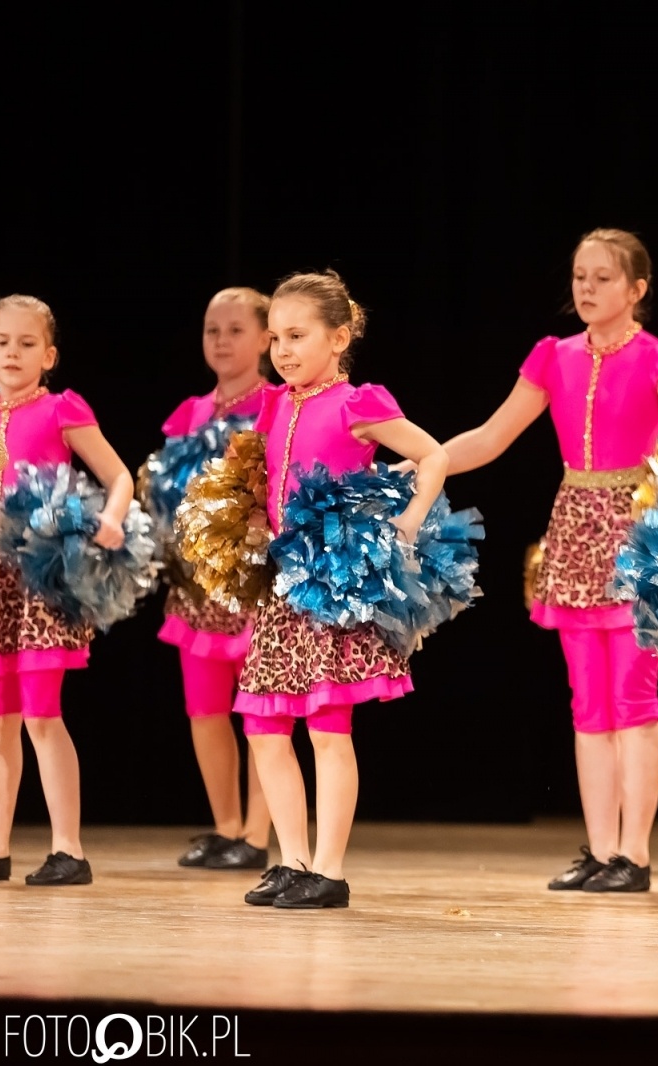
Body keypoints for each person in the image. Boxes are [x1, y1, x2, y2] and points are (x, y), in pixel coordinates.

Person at [440, 229, 658, 892]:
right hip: (573, 530)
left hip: (638, 535)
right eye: (579, 276)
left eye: (603, 277)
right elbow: (492, 436)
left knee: (633, 697)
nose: (587, 288)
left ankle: (634, 855)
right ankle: (600, 848)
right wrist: (426, 463)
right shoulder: (554, 356)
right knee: (588, 700)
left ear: (637, 289)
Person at [236, 271, 450, 910]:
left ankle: (328, 869)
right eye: (276, 338)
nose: (283, 350)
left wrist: (408, 520)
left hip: (331, 584)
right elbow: (268, 483)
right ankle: (292, 861)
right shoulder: (276, 404)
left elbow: (433, 455)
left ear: (339, 337)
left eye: (297, 336)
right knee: (264, 722)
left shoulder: (358, 404)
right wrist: (252, 521)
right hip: (283, 582)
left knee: (327, 725)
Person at [0, 294, 136, 886]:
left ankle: (68, 849)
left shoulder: (60, 410)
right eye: (1, 342)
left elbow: (118, 474)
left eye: (26, 344)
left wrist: (112, 518)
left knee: (41, 715)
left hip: (41, 580)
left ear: (48, 355)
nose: (12, 353)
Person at [159, 288, 272, 871]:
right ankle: (227, 827)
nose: (222, 341)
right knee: (204, 708)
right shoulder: (190, 414)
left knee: (261, 712)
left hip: (255, 582)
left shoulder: (276, 404)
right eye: (212, 330)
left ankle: (257, 834)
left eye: (235, 330)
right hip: (198, 587)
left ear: (265, 339)